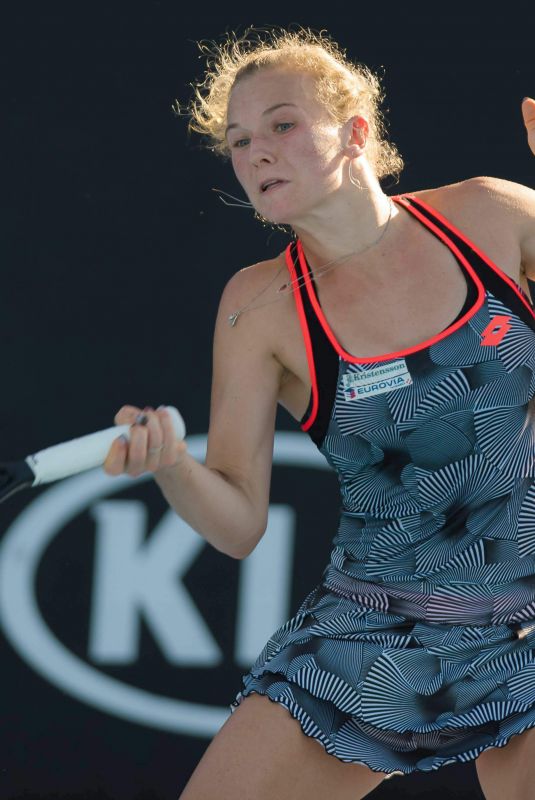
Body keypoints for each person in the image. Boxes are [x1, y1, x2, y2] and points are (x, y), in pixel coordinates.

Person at [104, 27, 535, 800]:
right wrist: (172, 466)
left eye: (281, 124)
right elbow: (238, 523)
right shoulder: (257, 308)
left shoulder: (493, 216)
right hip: (373, 631)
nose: (256, 152)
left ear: (356, 132)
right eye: (238, 141)